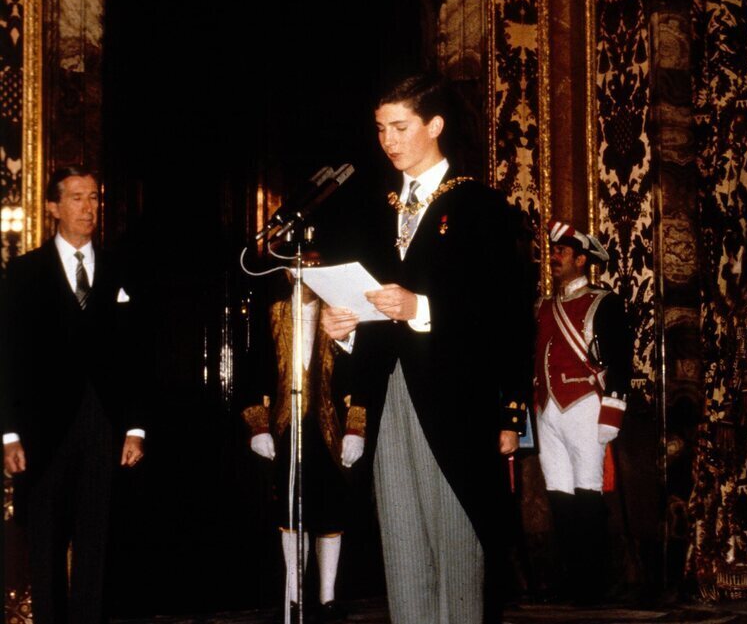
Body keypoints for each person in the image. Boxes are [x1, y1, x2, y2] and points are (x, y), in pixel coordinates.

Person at [320, 73, 532, 624]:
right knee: (403, 544)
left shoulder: (481, 207)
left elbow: (504, 315)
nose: (387, 140)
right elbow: (369, 307)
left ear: (434, 126)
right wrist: (343, 327)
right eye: (380, 129)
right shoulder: (374, 211)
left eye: (399, 126)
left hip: (457, 402)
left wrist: (422, 309)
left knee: (457, 542)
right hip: (390, 397)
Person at [1, 165, 146, 624]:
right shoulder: (24, 273)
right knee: (44, 545)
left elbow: (138, 355)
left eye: (95, 198)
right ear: (53, 207)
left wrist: (136, 427)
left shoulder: (121, 268)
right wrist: (8, 434)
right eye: (79, 198)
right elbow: (7, 356)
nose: (90, 208)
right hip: (42, 430)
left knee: (96, 544)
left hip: (103, 427)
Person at [242, 280, 353, 622]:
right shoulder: (272, 312)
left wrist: (355, 428)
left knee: (331, 511)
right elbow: (255, 366)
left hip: (329, 427)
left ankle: (328, 597)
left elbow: (357, 371)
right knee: (290, 515)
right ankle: (292, 598)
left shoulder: (338, 310)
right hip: (285, 425)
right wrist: (258, 425)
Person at [532, 220, 630, 605]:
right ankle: (571, 578)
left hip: (584, 406)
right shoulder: (541, 306)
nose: (554, 257)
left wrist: (612, 411)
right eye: (554, 251)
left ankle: (594, 582)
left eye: (562, 252)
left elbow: (621, 360)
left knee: (588, 494)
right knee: (558, 494)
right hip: (546, 409)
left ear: (581, 259)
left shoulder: (603, 302)